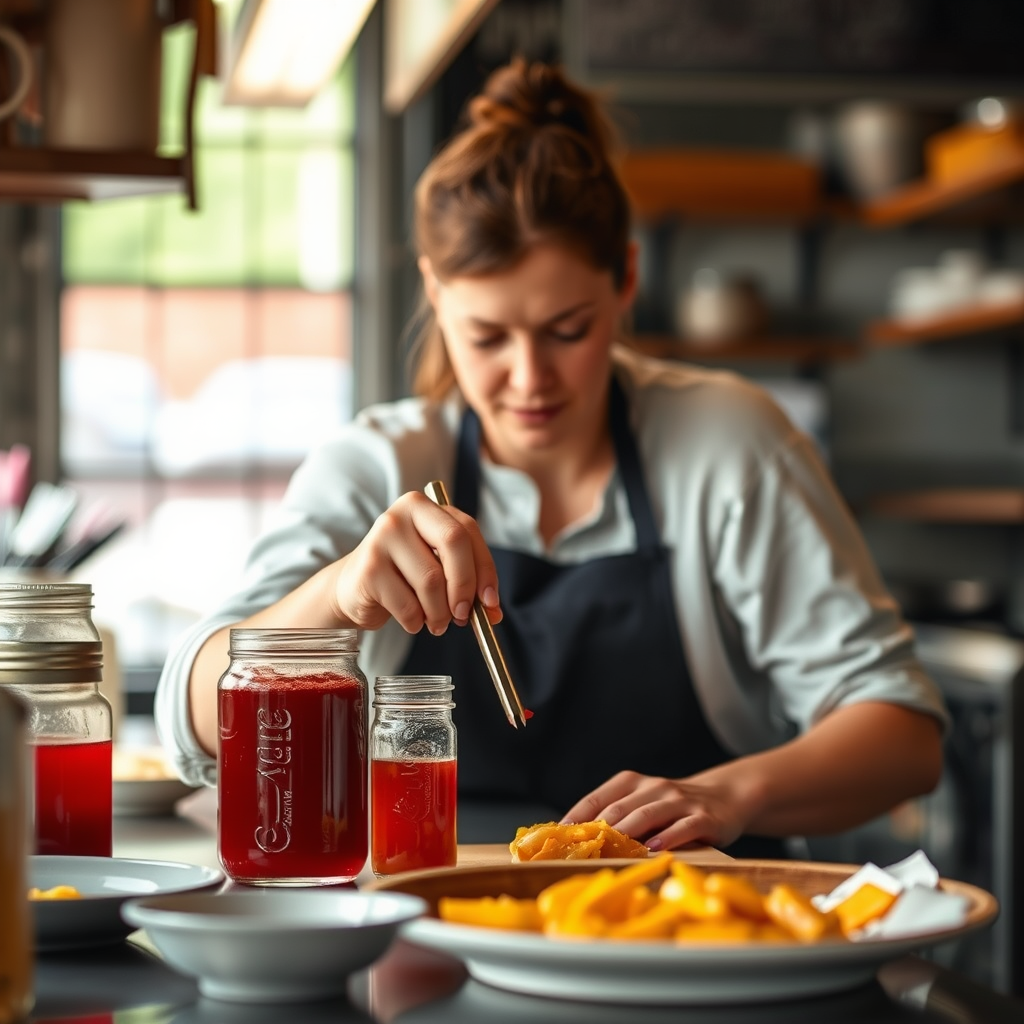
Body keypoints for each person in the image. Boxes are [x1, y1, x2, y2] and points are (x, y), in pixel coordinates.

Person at [156, 57, 947, 855]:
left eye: (567, 329)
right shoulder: (374, 466)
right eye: (489, 337)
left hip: (691, 936)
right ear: (436, 295)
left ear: (627, 278)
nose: (529, 378)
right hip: (432, 910)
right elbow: (191, 715)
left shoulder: (728, 444)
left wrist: (727, 792)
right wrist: (334, 596)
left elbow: (902, 737)